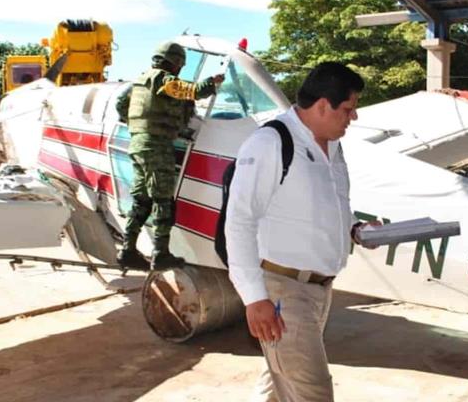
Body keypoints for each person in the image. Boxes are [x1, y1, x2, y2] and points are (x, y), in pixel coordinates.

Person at [225, 62, 378, 402]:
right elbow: (239, 221)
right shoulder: (271, 142)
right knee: (312, 392)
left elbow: (332, 204)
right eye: (348, 109)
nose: (352, 118)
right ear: (323, 105)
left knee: (280, 387)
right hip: (283, 291)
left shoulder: (333, 146)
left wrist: (353, 228)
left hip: (320, 290)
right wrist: (255, 298)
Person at [115, 41, 224, 271]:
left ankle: (127, 250)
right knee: (163, 200)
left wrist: (139, 124)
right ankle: (160, 254)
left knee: (142, 199)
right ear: (175, 63)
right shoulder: (162, 79)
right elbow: (189, 91)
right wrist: (211, 84)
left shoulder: (139, 81)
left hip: (138, 144)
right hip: (156, 146)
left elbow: (120, 104)